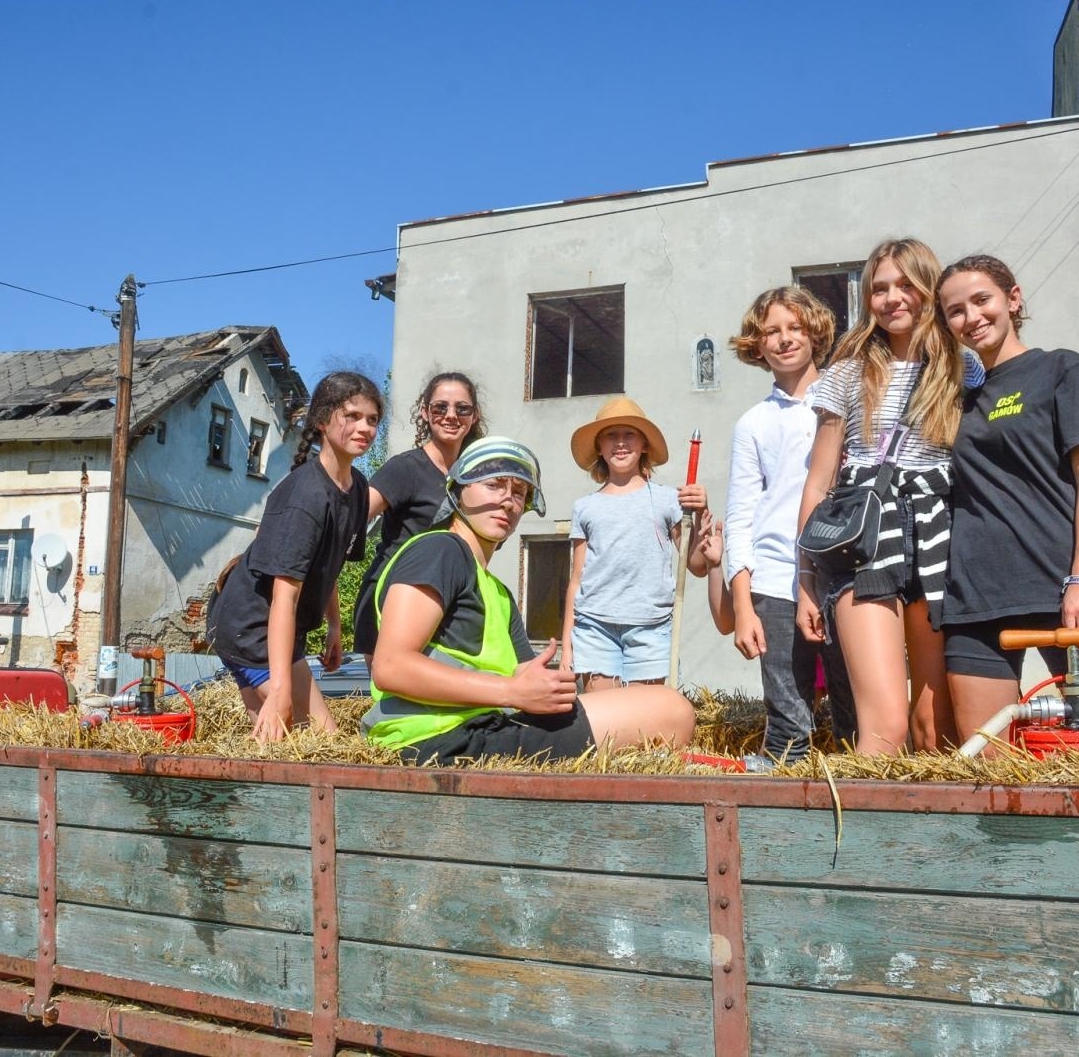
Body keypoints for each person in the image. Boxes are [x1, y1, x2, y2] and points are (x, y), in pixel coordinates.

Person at [362, 436, 697, 764]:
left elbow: (524, 676)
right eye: (493, 485)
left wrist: (549, 686)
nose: (508, 501)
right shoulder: (440, 550)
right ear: (458, 491)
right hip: (434, 742)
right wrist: (511, 692)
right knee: (671, 710)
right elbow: (391, 667)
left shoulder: (499, 593)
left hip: (484, 727)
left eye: (519, 492)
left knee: (652, 707)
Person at [935, 254, 1079, 739]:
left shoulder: (1061, 370)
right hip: (977, 596)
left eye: (981, 300)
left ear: (1013, 299)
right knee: (988, 767)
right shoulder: (952, 400)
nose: (971, 317)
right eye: (955, 311)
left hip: (1068, 585)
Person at [796, 239, 985, 753]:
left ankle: (926, 812)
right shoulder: (848, 371)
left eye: (906, 285)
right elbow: (818, 481)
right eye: (879, 289)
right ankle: (862, 809)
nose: (892, 298)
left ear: (929, 289)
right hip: (865, 535)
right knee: (886, 727)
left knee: (934, 729)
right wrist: (805, 580)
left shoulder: (963, 368)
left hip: (938, 531)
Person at [206, 371, 383, 742]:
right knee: (322, 739)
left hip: (272, 630)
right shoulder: (306, 496)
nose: (365, 428)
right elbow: (284, 597)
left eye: (372, 419)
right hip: (251, 628)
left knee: (279, 741)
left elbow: (330, 566)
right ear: (322, 421)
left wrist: (334, 626)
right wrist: (281, 689)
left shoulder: (357, 489)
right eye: (352, 416)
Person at [724, 286, 855, 766]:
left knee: (852, 704)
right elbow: (740, 515)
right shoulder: (753, 423)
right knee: (787, 710)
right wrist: (743, 605)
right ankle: (781, 775)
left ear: (814, 332)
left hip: (843, 571)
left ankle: (857, 777)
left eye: (795, 327)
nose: (784, 339)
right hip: (775, 578)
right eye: (771, 332)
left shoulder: (845, 399)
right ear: (757, 346)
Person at [560, 397, 708, 689]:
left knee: (644, 714)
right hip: (595, 626)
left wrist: (700, 514)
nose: (620, 442)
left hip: (651, 626)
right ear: (599, 447)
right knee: (602, 713)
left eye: (629, 434)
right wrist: (567, 647)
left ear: (644, 445)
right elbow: (576, 579)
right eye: (610, 435)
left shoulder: (669, 500)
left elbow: (696, 566)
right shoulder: (585, 507)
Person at [351, 372, 486, 655]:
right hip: (392, 601)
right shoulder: (405, 468)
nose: (451, 415)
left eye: (462, 408)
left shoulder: (474, 479)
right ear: (425, 412)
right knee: (395, 685)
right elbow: (350, 519)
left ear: (474, 416)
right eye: (440, 407)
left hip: (447, 606)